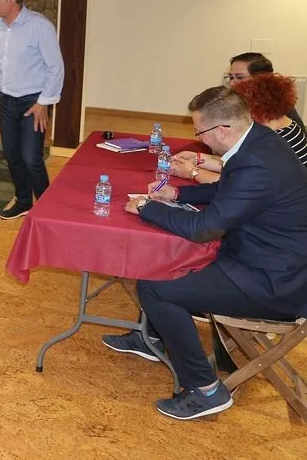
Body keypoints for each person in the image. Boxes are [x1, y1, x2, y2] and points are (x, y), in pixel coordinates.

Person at [104, 86, 307, 421]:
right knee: (165, 262)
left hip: (273, 283)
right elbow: (230, 191)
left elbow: (204, 229)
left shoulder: (256, 163)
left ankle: (206, 390)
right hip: (268, 260)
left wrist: (145, 207)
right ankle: (154, 336)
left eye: (199, 132)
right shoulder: (260, 141)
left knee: (155, 288)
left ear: (222, 130)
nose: (199, 139)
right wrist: (178, 194)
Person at [0, 0, 64, 220]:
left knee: (31, 158)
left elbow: (55, 67)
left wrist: (43, 103)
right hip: (7, 101)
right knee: (12, 155)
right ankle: (23, 201)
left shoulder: (40, 26)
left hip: (33, 103)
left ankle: (48, 210)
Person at [172, 73, 307, 182]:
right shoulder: (287, 126)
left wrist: (193, 172)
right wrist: (200, 159)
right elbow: (237, 165)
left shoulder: (275, 142)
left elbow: (236, 183)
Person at [224, 52, 304, 130]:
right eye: (231, 77)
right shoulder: (239, 104)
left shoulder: (276, 107)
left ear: (261, 79)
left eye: (239, 77)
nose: (231, 83)